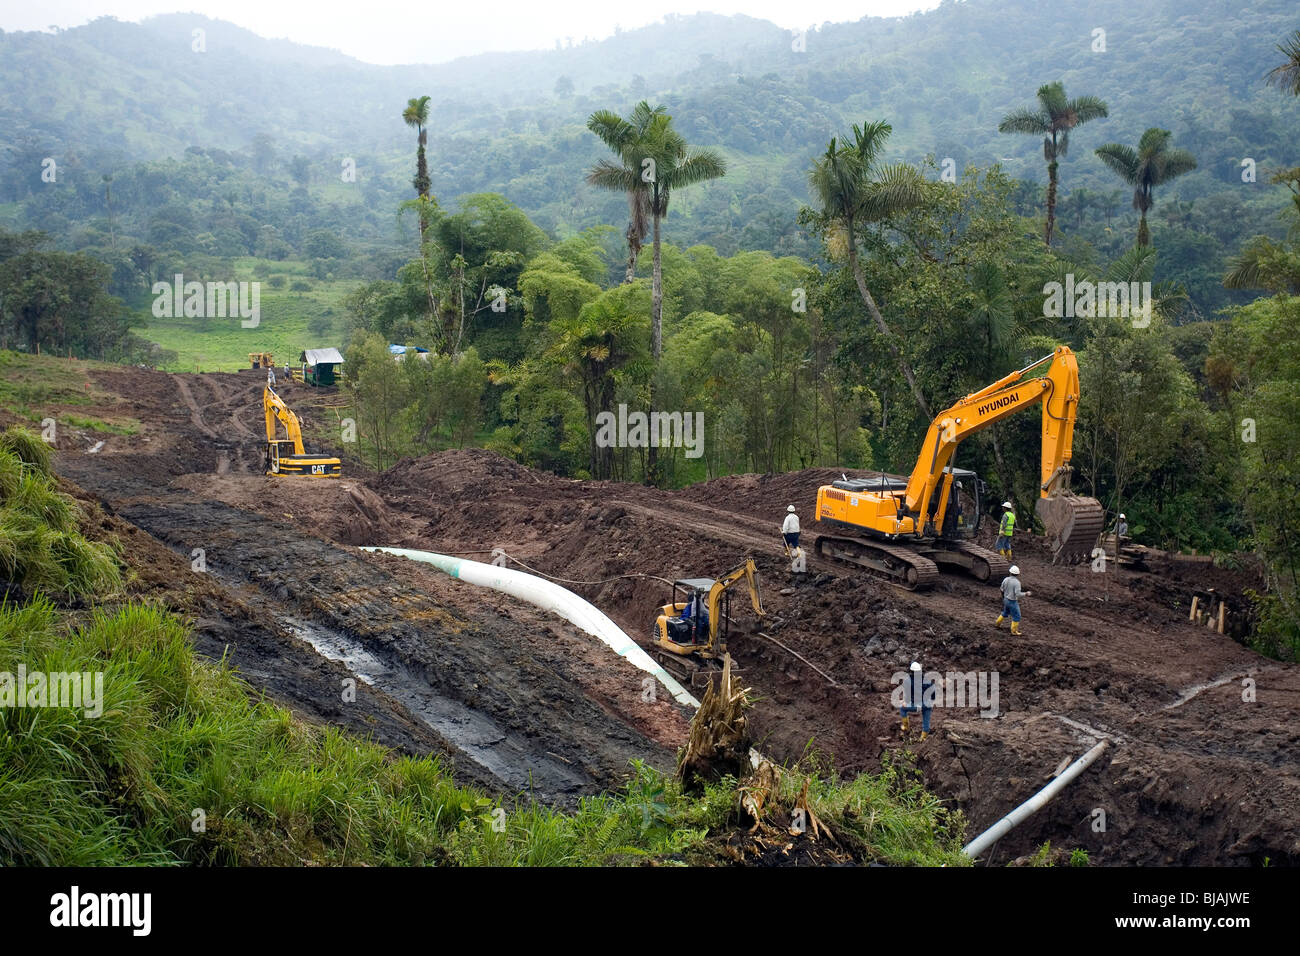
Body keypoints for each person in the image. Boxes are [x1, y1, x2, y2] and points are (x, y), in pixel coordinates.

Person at [900, 661, 934, 740]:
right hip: (927, 704)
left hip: (917, 705)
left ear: (911, 671)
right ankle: (923, 738)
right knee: (926, 719)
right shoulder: (926, 679)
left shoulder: (908, 680)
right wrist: (932, 700)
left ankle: (906, 727)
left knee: (902, 708)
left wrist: (905, 701)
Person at [995, 565, 1031, 636]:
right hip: (1012, 601)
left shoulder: (1005, 579)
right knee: (1017, 616)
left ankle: (997, 623)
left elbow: (1001, 589)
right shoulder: (1017, 583)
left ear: (1010, 572)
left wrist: (1003, 598)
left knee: (1005, 612)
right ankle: (1014, 631)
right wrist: (1026, 594)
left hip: (1006, 599)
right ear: (1017, 574)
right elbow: (1018, 594)